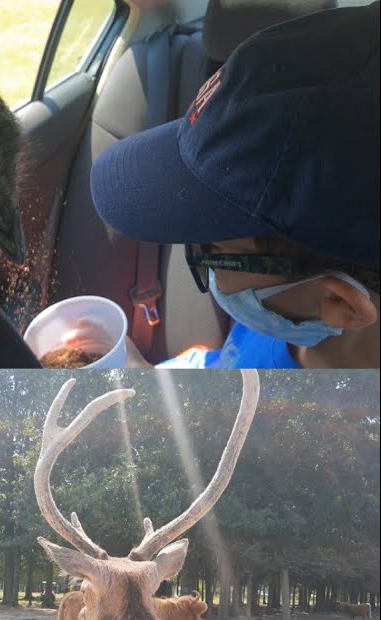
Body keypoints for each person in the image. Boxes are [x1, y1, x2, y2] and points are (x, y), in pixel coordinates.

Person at [90, 2, 380, 369]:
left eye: (207, 251)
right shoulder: (294, 316)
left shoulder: (296, 419)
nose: (193, 256)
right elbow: (226, 367)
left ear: (343, 304)